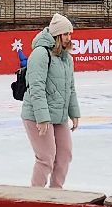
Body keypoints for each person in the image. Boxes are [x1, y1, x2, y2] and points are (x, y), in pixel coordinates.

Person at [21, 14, 81, 189]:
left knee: (64, 155)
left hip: (59, 114)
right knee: (46, 157)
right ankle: (36, 196)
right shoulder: (40, 54)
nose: (69, 38)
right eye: (65, 34)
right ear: (56, 35)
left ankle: (56, 193)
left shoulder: (66, 58)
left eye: (70, 34)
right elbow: (36, 87)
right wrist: (42, 117)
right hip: (36, 115)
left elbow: (70, 88)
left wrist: (74, 113)